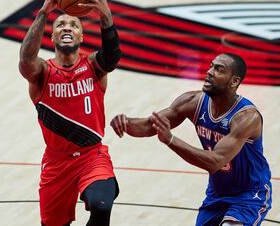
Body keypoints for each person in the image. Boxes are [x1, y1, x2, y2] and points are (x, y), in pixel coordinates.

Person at [110, 53, 272, 226]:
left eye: (219, 69)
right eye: (211, 66)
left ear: (234, 82)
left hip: (249, 193)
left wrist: (171, 140)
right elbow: (150, 125)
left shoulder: (246, 117)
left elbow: (215, 162)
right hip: (217, 192)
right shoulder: (192, 101)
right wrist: (126, 123)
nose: (209, 72)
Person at [19, 0, 122, 226]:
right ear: (52, 37)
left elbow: (112, 58)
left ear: (81, 37)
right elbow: (25, 62)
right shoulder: (43, 72)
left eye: (74, 25)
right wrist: (43, 13)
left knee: (101, 205)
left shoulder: (94, 67)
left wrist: (105, 14)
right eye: (61, 25)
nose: (67, 28)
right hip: (57, 163)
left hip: (92, 156)